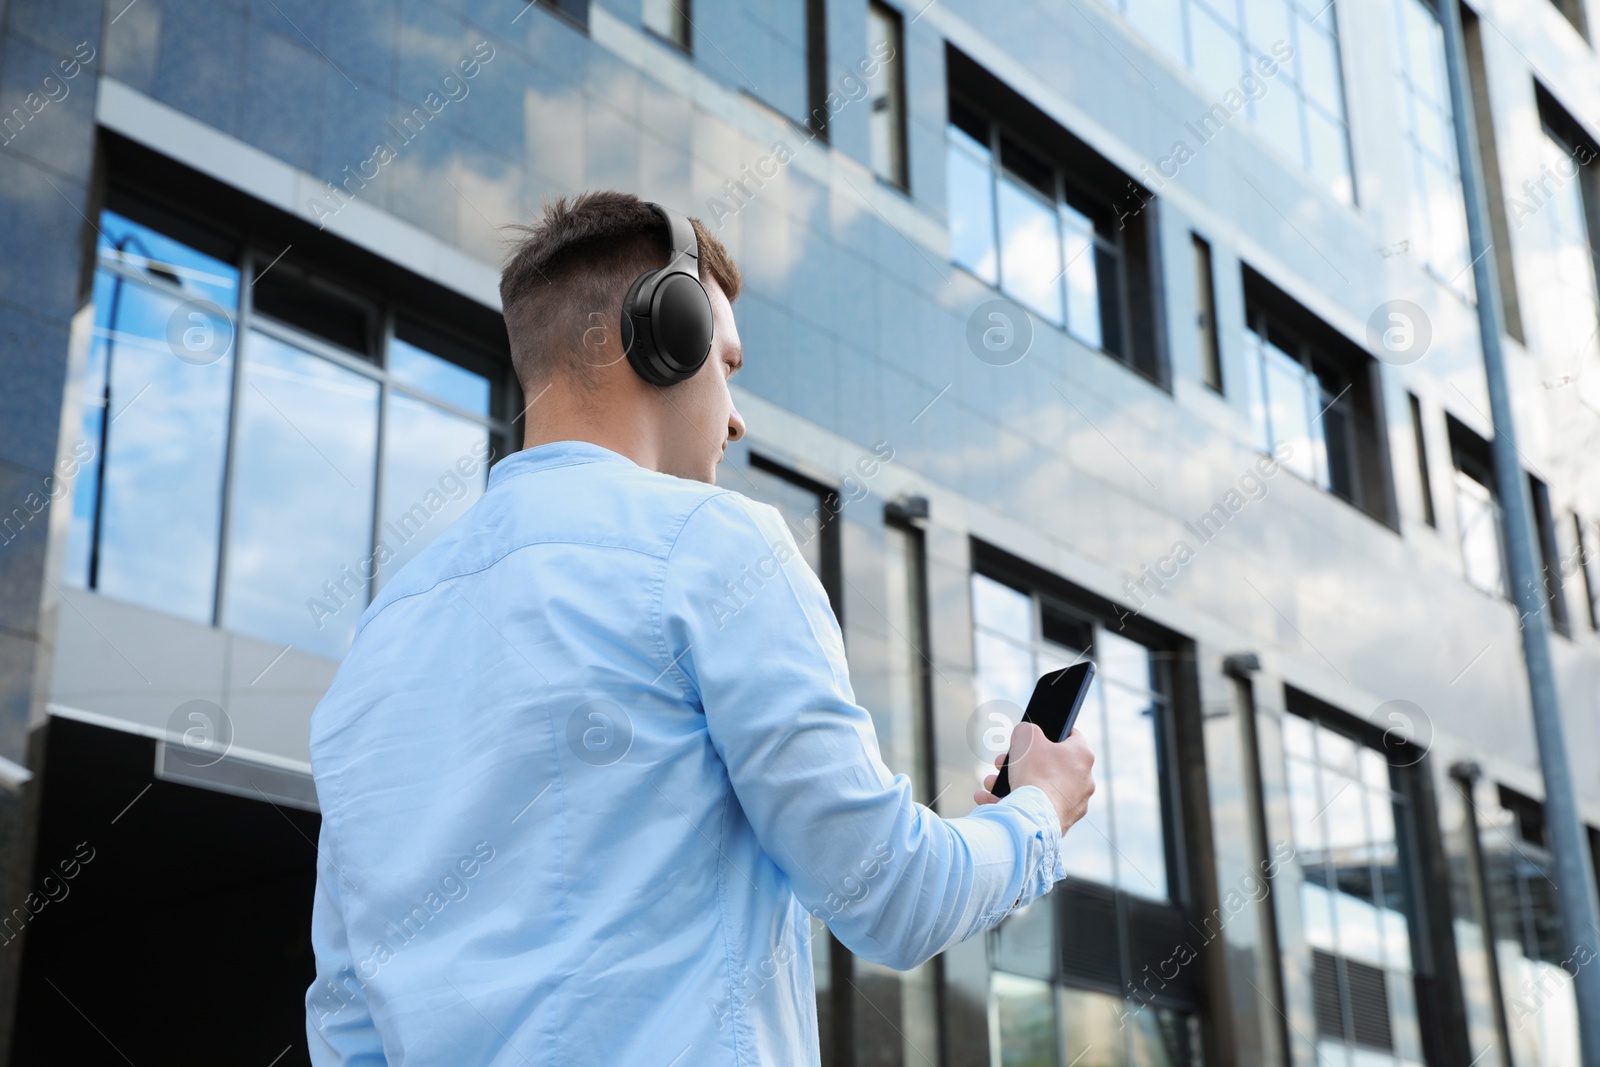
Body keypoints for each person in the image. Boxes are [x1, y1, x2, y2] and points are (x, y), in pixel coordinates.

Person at [303, 189, 1095, 1065]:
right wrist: (1040, 811)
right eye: (727, 362)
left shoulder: (376, 641)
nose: (736, 414)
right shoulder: (717, 546)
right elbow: (891, 893)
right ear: (664, 338)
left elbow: (345, 1017)